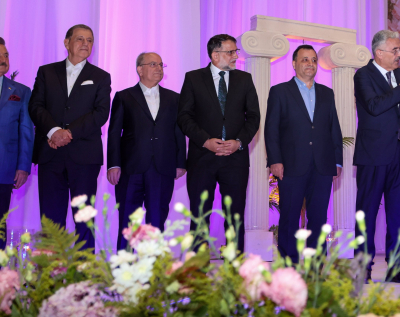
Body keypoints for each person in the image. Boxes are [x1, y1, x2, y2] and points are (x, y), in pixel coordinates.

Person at [29, 25, 112, 251]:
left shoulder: (101, 76)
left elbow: (101, 113)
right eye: (80, 39)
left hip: (84, 157)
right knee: (51, 221)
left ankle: (83, 272)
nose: (85, 44)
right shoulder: (46, 72)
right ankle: (51, 270)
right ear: (67, 43)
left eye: (90, 40)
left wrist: (68, 133)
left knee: (84, 221)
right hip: (51, 154)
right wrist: (53, 131)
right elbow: (36, 106)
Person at [177, 34, 261, 253]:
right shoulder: (193, 78)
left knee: (235, 216)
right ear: (215, 55)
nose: (235, 56)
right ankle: (197, 266)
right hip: (202, 158)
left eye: (236, 52)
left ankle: (235, 265)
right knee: (199, 215)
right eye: (230, 52)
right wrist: (205, 141)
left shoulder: (245, 79)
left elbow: (253, 117)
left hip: (235, 159)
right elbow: (184, 117)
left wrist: (239, 142)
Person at [265, 45, 343, 263]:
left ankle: (316, 265)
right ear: (294, 63)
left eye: (314, 60)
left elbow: (334, 128)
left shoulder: (327, 93)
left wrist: (337, 161)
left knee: (318, 218)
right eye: (305, 59)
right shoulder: (279, 91)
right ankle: (288, 263)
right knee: (289, 217)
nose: (310, 64)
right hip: (290, 165)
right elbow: (271, 129)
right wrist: (275, 160)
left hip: (322, 165)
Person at [107, 52, 187, 250]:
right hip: (131, 168)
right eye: (153, 64)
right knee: (128, 222)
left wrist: (180, 162)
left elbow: (179, 132)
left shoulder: (174, 98)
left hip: (162, 167)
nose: (158, 68)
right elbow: (114, 133)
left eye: (161, 65)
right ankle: (124, 266)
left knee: (157, 221)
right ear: (140, 69)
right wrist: (113, 164)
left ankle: (154, 266)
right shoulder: (124, 96)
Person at [353, 30, 400, 283]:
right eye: (395, 50)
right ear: (379, 53)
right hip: (373, 154)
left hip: (399, 154)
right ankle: (362, 268)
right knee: (367, 213)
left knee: (399, 214)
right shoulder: (363, 75)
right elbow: (374, 106)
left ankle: (396, 267)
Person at [0, 38, 33, 248]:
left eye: (5, 55)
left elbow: (26, 131)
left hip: (4, 169)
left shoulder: (21, 91)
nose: (3, 60)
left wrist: (23, 167)